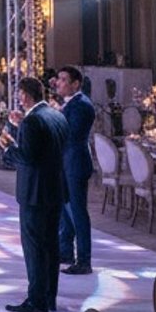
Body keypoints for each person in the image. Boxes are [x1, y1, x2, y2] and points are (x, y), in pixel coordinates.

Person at [2, 77, 68, 312]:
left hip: (34, 193)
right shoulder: (57, 115)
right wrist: (22, 127)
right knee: (51, 246)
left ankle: (36, 300)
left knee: (34, 248)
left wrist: (8, 147)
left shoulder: (32, 121)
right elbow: (45, 147)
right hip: (55, 189)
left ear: (24, 95)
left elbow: (27, 158)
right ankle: (49, 297)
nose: (18, 99)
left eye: (19, 94)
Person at [53, 66, 97, 276]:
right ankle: (66, 251)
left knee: (78, 211)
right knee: (65, 208)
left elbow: (70, 135)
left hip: (75, 163)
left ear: (75, 83)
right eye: (58, 79)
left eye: (63, 80)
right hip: (64, 162)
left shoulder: (81, 105)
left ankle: (84, 260)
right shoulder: (70, 104)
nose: (58, 83)